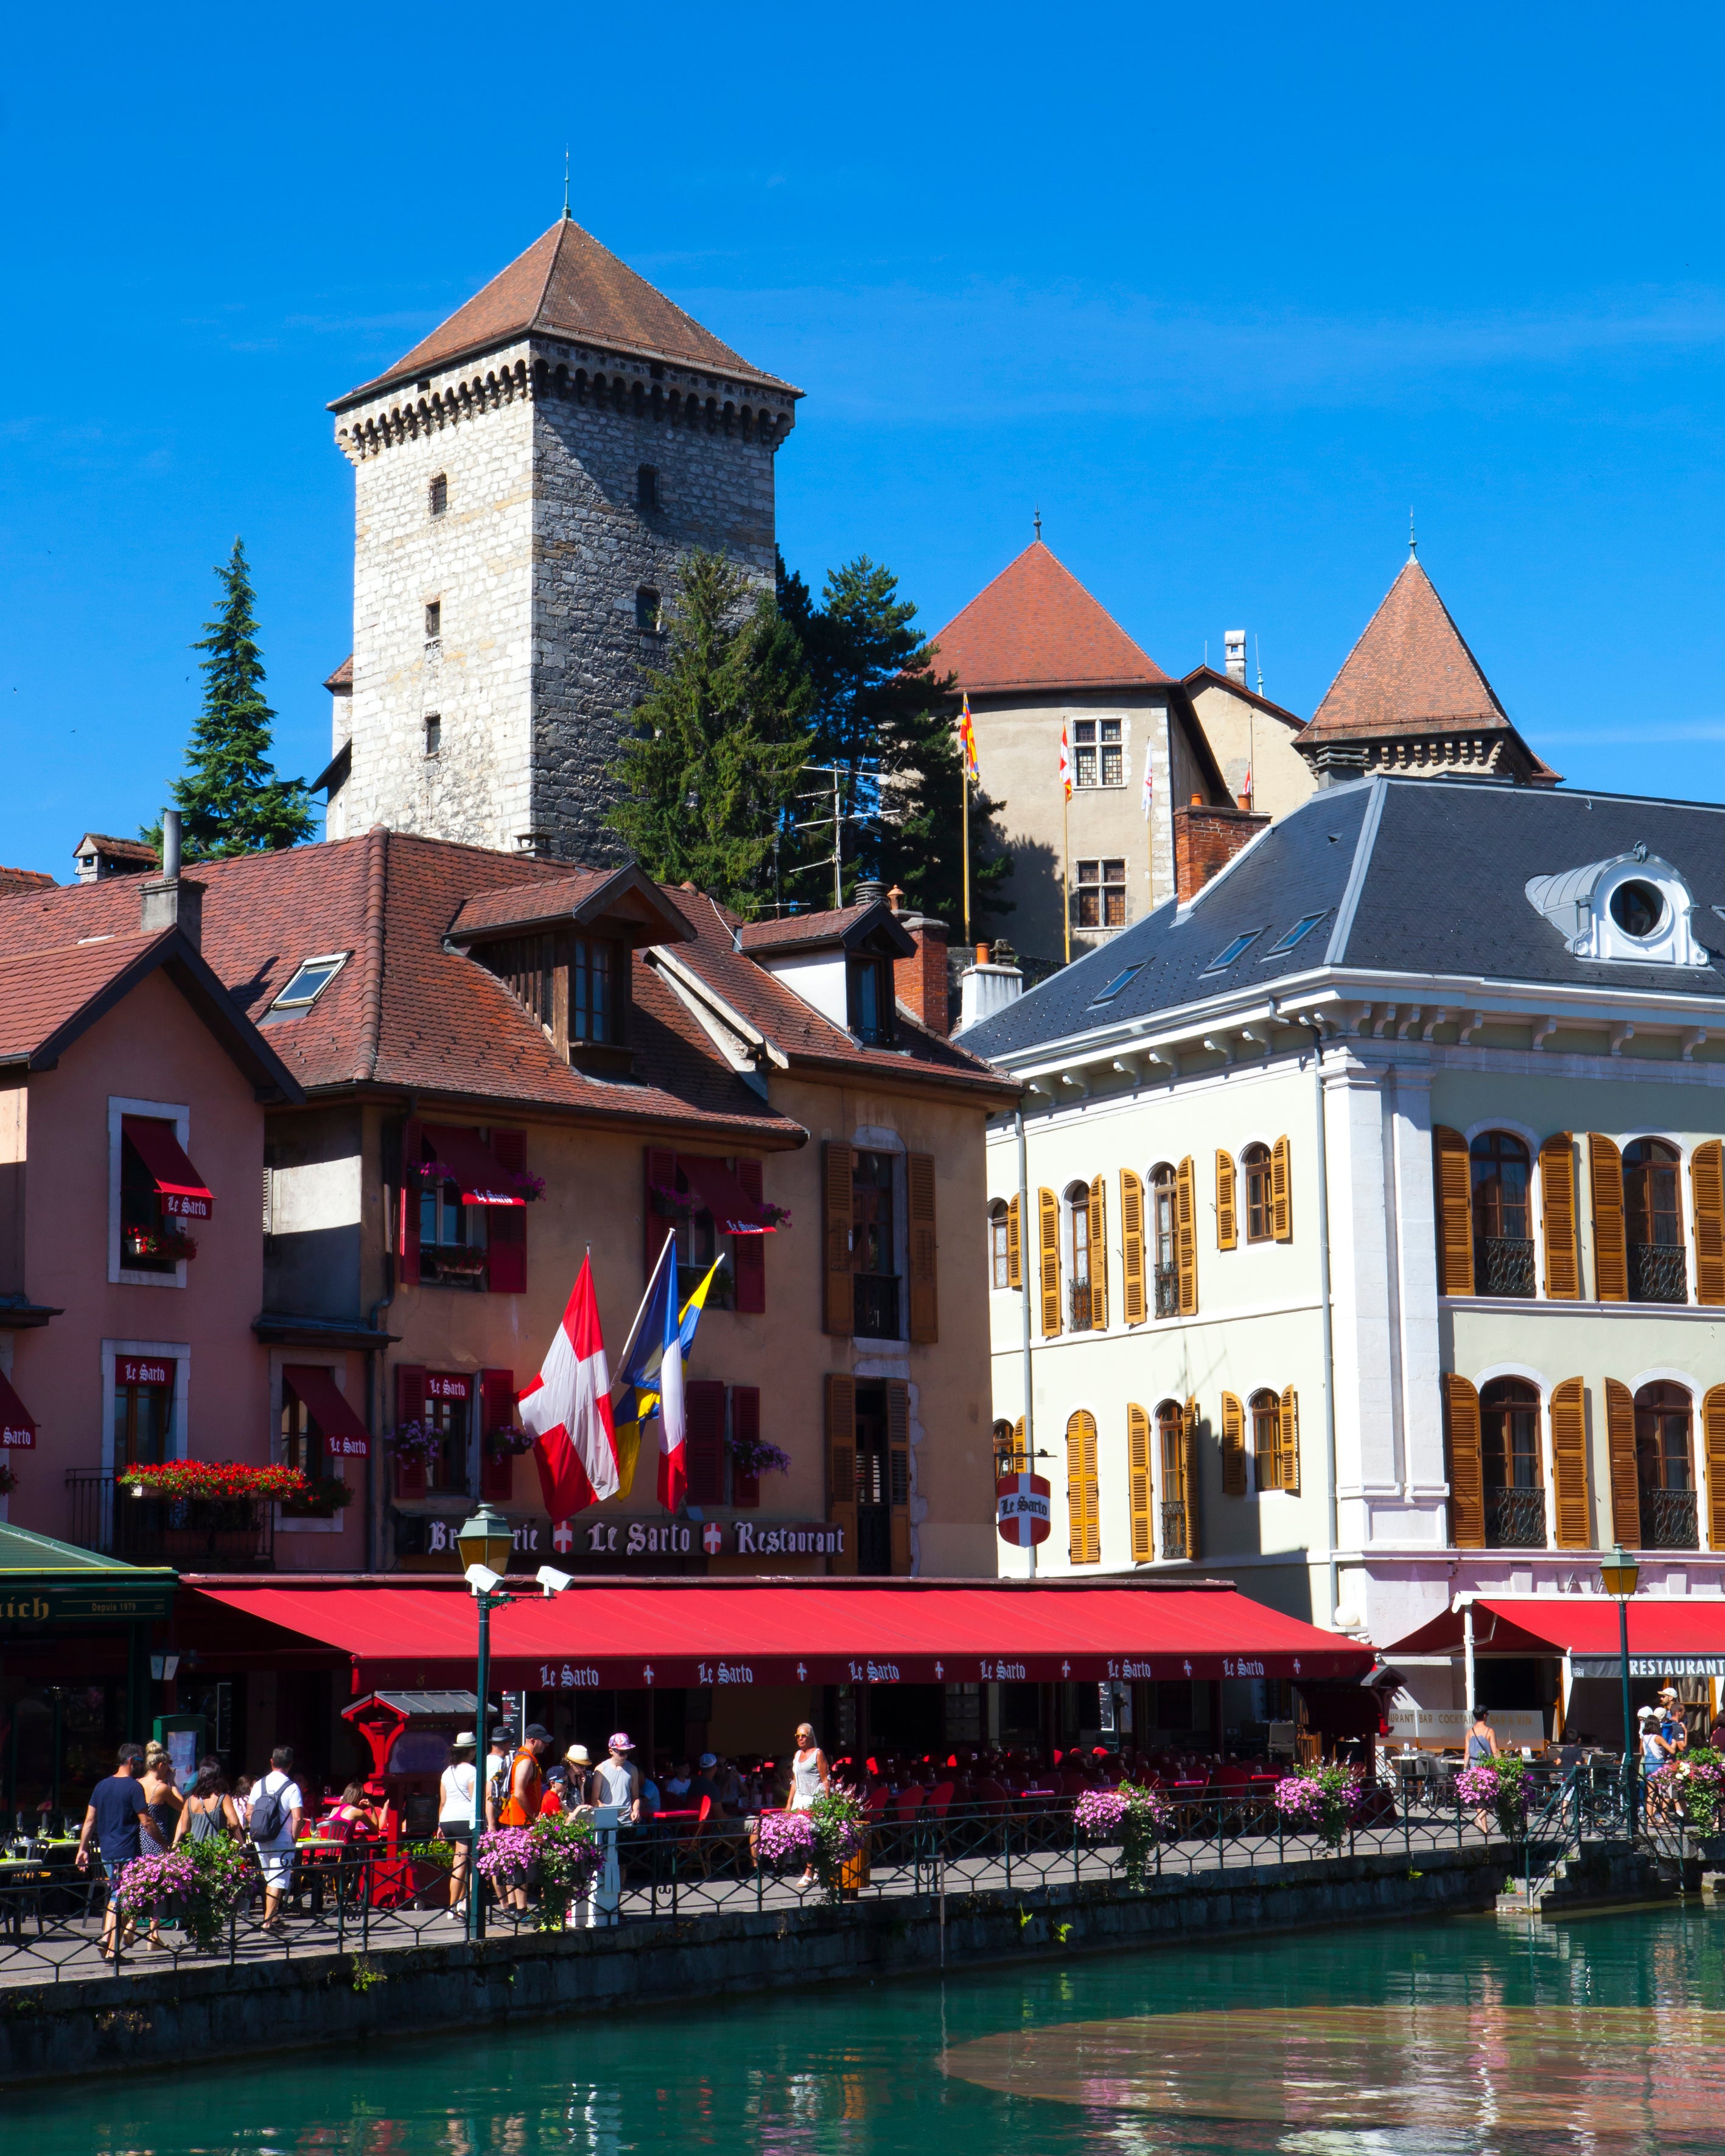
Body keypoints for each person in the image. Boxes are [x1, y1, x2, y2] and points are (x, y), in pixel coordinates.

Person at [77, 1743, 166, 1958]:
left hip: (107, 1852)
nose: (141, 1765)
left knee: (119, 1895)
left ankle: (109, 1945)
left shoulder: (101, 1786)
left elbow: (90, 1819)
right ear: (130, 1761)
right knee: (124, 1898)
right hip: (126, 1851)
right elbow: (146, 1822)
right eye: (139, 1761)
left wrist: (83, 1849)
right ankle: (109, 1944)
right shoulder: (133, 1787)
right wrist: (164, 1844)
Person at [497, 1725, 552, 1914]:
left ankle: (514, 1908)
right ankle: (521, 1909)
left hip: (513, 1818)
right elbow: (519, 1792)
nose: (546, 1745)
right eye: (543, 1741)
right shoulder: (526, 1760)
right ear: (532, 1740)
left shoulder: (522, 1758)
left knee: (514, 1863)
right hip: (519, 1820)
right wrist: (533, 1816)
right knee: (522, 1863)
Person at [250, 1744, 305, 1933]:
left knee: (270, 1879)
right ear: (291, 1764)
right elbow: (298, 1818)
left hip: (261, 1838)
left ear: (272, 1762)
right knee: (277, 1881)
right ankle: (267, 1923)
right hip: (282, 1839)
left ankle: (274, 1917)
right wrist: (294, 1838)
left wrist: (261, 1829)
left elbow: (249, 1813)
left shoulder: (259, 1785)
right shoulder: (292, 1788)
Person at [138, 1746, 184, 1948]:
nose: (170, 1769)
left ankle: (137, 1929)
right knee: (157, 1887)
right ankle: (153, 1934)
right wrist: (173, 1782)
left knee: (144, 1885)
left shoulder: (137, 1784)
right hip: (159, 1839)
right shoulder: (162, 1788)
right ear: (161, 1765)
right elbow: (182, 1805)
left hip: (141, 1838)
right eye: (169, 1765)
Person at [438, 1732, 478, 1922]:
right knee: (471, 1864)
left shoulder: (447, 1772)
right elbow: (474, 1800)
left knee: (458, 1863)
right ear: (470, 1751)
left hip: (447, 1820)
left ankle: (454, 1906)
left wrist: (439, 1825)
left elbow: (443, 1802)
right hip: (465, 1821)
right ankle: (463, 1906)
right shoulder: (472, 1771)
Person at [786, 1723, 831, 1888]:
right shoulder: (797, 1755)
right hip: (800, 1799)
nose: (800, 1739)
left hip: (814, 1799)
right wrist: (789, 1803)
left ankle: (809, 1872)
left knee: (809, 1836)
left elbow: (825, 1779)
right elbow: (795, 1781)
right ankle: (816, 1868)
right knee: (800, 1836)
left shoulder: (818, 1754)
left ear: (811, 1737)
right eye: (797, 1736)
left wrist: (828, 1803)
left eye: (803, 1735)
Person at [173, 1759, 240, 1847]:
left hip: (196, 1851)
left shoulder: (189, 1801)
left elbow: (185, 1829)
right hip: (218, 1850)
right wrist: (228, 1830)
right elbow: (235, 1823)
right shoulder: (223, 1798)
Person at [592, 1732, 643, 1823]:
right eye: (621, 1752)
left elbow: (636, 1797)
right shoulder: (600, 1769)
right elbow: (595, 1799)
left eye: (628, 1752)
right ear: (611, 1751)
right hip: (607, 1820)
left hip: (627, 1820)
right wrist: (608, 1814)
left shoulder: (633, 1769)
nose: (625, 1756)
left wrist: (636, 1810)